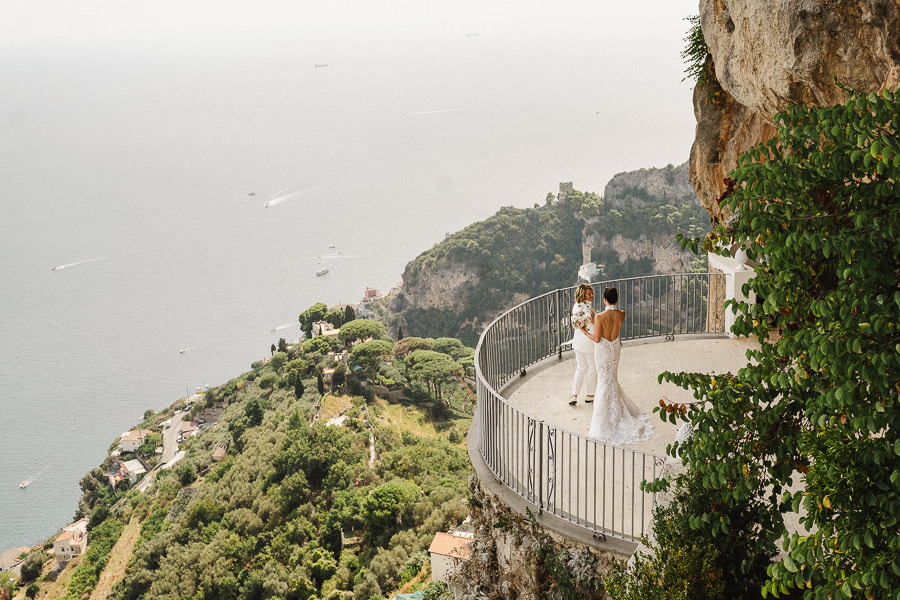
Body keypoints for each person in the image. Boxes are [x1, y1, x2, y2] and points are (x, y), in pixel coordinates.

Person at [581, 287, 651, 444]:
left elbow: (598, 339)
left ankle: (603, 422)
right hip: (615, 350)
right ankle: (616, 414)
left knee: (603, 382)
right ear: (616, 299)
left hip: (603, 352)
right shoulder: (622, 314)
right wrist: (595, 321)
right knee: (611, 379)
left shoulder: (599, 316)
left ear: (605, 300)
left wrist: (585, 331)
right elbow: (611, 328)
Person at [569, 284, 596, 405]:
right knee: (591, 368)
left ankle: (574, 394)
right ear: (583, 295)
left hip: (578, 341)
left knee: (580, 368)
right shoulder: (587, 309)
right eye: (589, 294)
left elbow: (577, 324)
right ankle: (590, 394)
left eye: (591, 293)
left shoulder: (576, 306)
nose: (592, 296)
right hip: (588, 341)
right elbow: (592, 325)